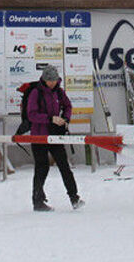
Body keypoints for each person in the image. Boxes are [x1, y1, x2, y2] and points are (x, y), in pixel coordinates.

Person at [26, 65, 83, 211]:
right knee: (41, 168)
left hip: (55, 135)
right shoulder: (35, 93)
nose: (52, 83)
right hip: (39, 136)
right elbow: (31, 114)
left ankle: (74, 197)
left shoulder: (59, 92)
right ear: (44, 80)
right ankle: (37, 201)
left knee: (64, 166)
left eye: (54, 80)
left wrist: (66, 119)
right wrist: (50, 119)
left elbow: (68, 106)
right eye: (49, 80)